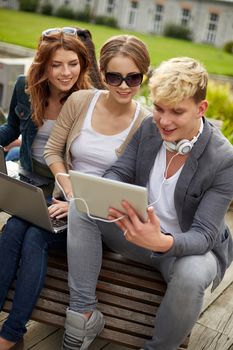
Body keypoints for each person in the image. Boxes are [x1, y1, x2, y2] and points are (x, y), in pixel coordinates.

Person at [65, 57, 233, 350]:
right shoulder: (148, 128)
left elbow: (204, 236)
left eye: (177, 112)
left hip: (183, 252)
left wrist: (162, 242)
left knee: (192, 274)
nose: (164, 121)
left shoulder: (223, 159)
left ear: (201, 108)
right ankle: (84, 313)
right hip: (137, 234)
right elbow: (119, 171)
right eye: (158, 108)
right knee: (82, 206)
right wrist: (105, 192)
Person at [43, 34, 151, 349]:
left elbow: (136, 185)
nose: (123, 85)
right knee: (21, 232)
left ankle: (80, 318)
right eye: (115, 76)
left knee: (55, 226)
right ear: (102, 73)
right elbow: (53, 151)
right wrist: (71, 194)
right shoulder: (80, 102)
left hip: (109, 214)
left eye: (133, 77)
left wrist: (80, 204)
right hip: (67, 199)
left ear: (144, 75)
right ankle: (13, 328)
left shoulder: (144, 123)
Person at [0, 26, 103, 350]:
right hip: (30, 183)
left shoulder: (88, 102)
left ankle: (11, 333)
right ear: (43, 66)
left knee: (25, 233)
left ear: (83, 65)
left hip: (65, 195)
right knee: (14, 229)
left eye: (72, 63)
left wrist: (76, 199)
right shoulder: (25, 88)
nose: (65, 72)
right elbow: (11, 128)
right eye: (56, 64)